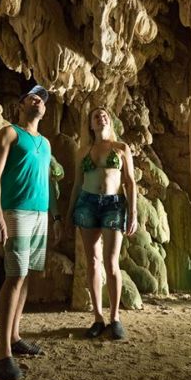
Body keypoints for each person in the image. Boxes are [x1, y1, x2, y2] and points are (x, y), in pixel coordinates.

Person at [0, 84, 62, 380]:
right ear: (21, 104)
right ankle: (1, 352)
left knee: (27, 274)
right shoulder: (10, 134)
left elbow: (47, 182)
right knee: (15, 276)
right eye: (32, 96)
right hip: (16, 211)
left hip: (41, 213)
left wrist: (55, 216)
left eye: (42, 99)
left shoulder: (45, 143)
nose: (38, 101)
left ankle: (15, 337)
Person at [64, 107, 138, 340]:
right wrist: (69, 213)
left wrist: (133, 212)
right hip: (86, 204)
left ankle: (115, 318)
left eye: (104, 114)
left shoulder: (121, 148)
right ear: (91, 125)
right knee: (93, 262)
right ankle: (97, 317)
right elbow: (77, 184)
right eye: (96, 116)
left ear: (110, 121)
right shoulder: (83, 151)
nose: (101, 117)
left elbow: (130, 183)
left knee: (111, 261)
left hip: (113, 205)